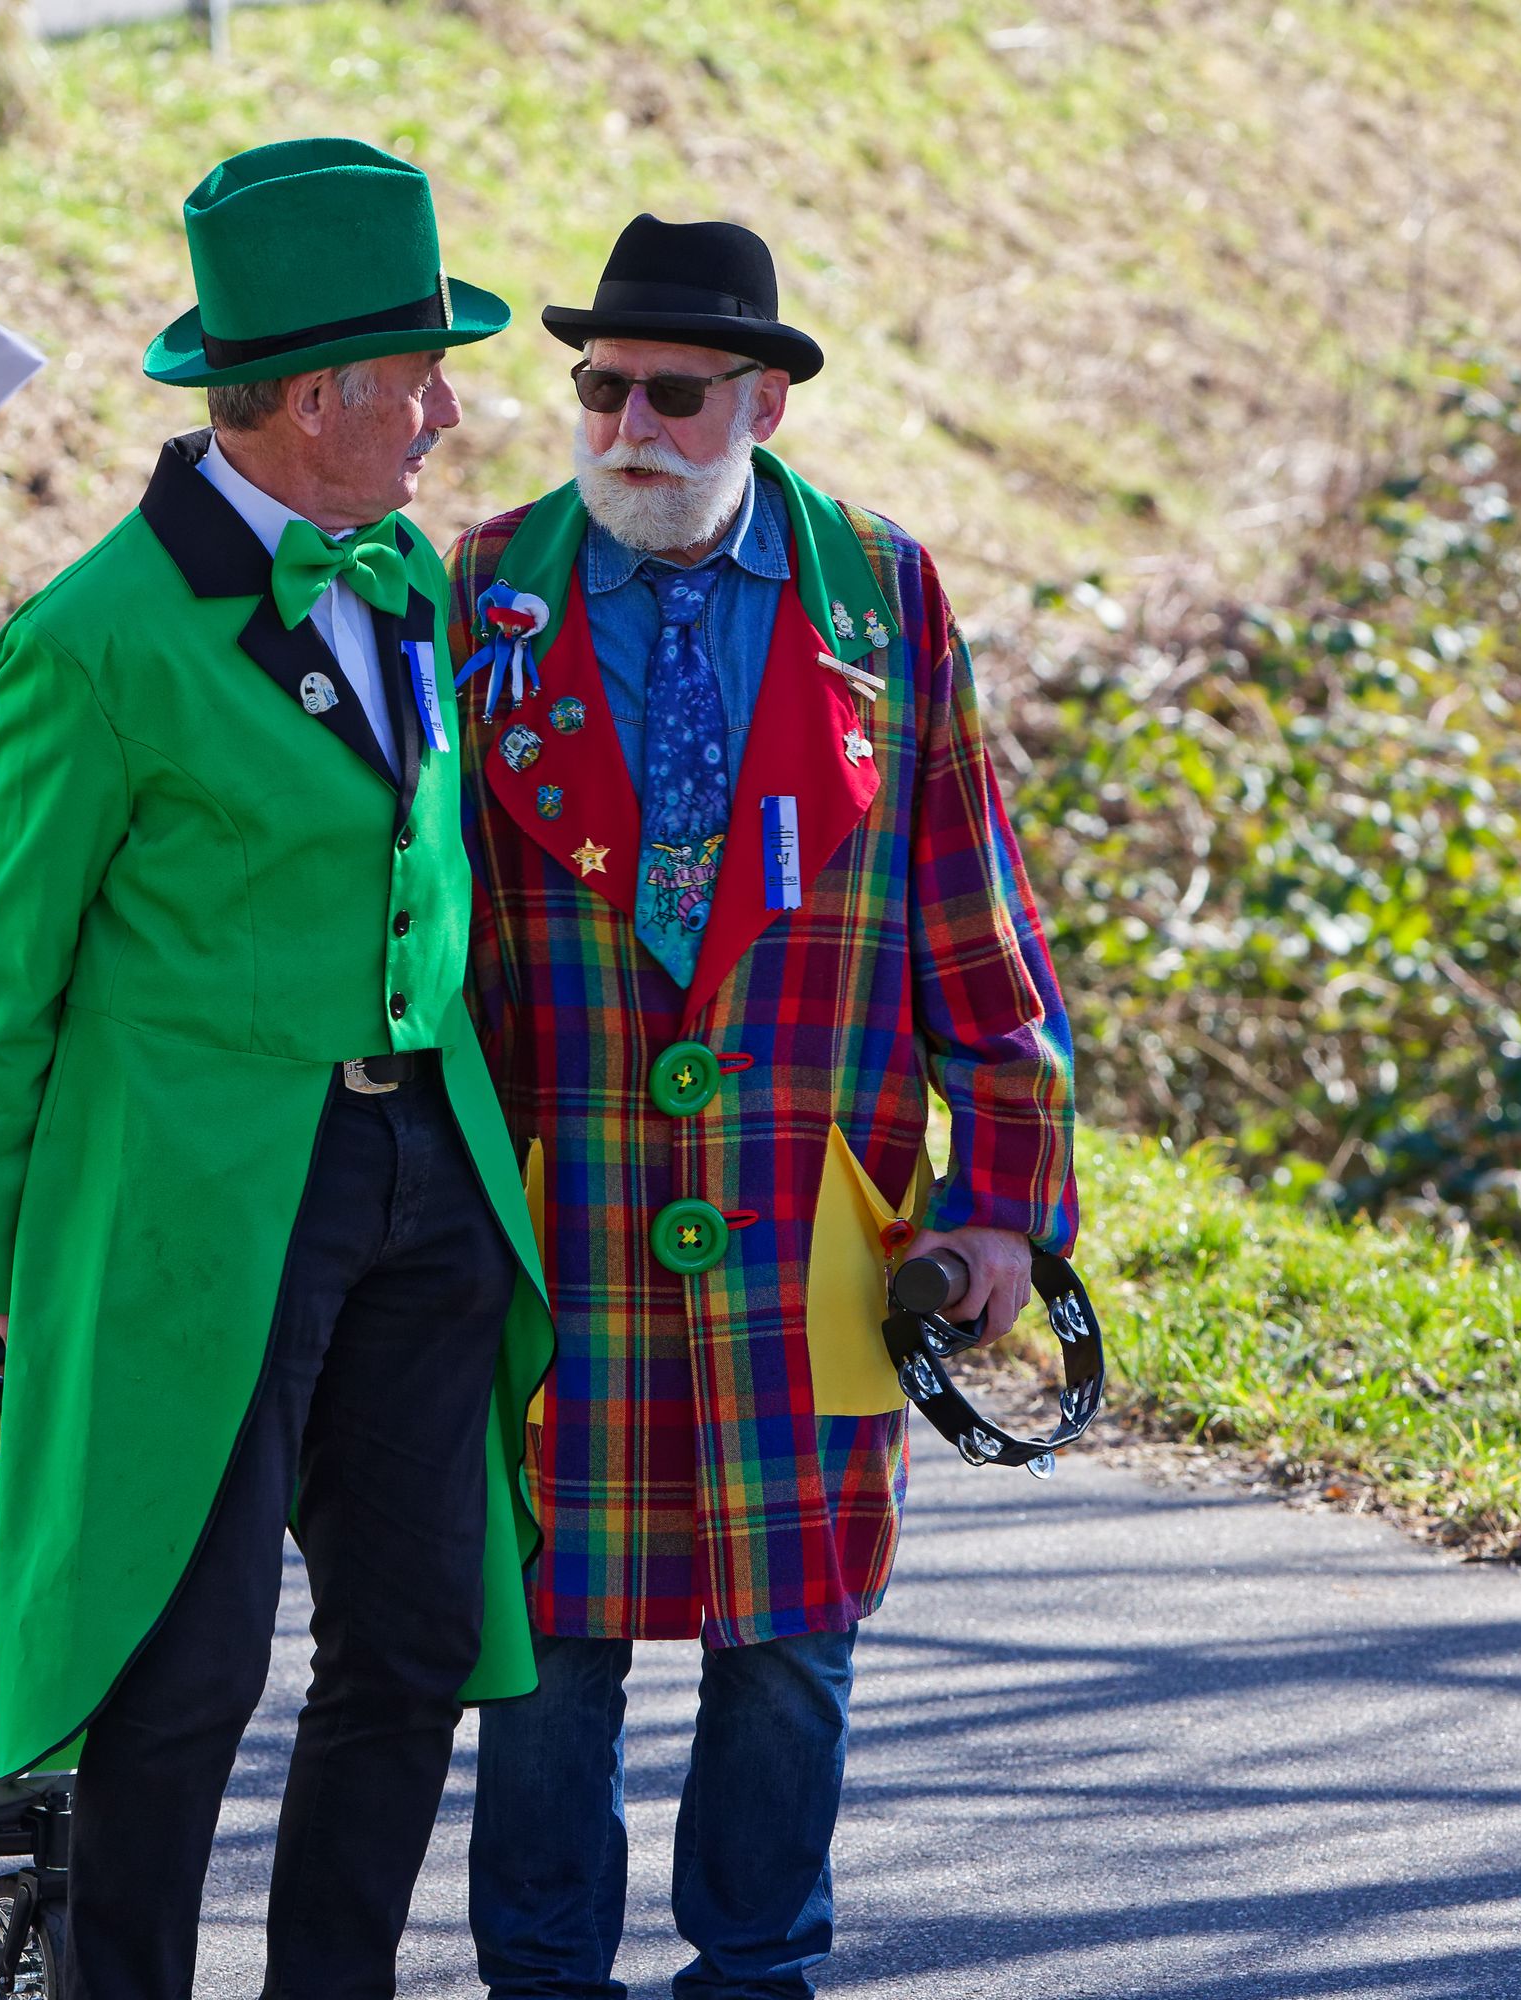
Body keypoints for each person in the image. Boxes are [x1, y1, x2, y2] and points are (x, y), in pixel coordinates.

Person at [0, 138, 554, 2000]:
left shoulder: (412, 589)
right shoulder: (94, 641)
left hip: (421, 1179)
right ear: (309, 401)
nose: (447, 413)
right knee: (188, 1656)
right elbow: (12, 990)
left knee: (420, 1632)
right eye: (417, 379)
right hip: (205, 1207)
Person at [448, 217, 1079, 2000]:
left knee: (793, 1643)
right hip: (556, 1222)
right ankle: (545, 1980)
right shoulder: (481, 591)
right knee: (551, 1642)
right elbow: (425, 941)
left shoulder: (886, 592)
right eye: (599, 388)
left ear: (767, 403)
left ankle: (758, 1972)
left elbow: (974, 908)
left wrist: (1008, 1193)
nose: (626, 424)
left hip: (821, 1217)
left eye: (672, 393)